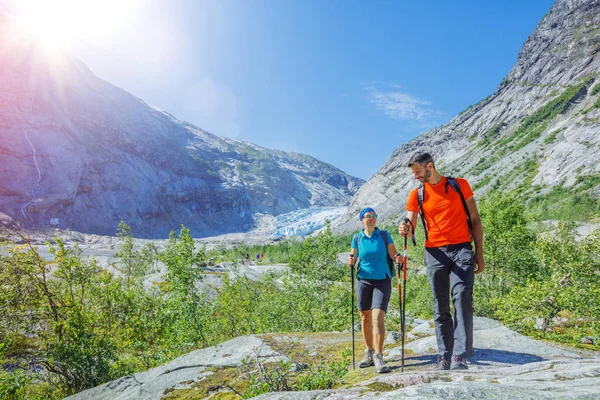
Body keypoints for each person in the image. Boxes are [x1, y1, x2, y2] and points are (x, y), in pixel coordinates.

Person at [398, 151, 485, 371]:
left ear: (430, 166)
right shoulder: (416, 194)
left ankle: (460, 355)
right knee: (441, 304)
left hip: (462, 249)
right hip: (434, 252)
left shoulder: (459, 185)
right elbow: (410, 225)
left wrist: (479, 252)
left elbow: (475, 219)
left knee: (462, 295)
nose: (416, 176)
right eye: (414, 173)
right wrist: (405, 229)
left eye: (418, 171)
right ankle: (444, 355)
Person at [347, 207, 403, 374]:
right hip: (363, 280)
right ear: (362, 220)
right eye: (367, 216)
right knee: (365, 317)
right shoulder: (357, 238)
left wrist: (398, 258)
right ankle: (369, 352)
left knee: (377, 317)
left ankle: (379, 356)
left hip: (382, 281)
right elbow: (354, 257)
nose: (371, 219)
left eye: (373, 216)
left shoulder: (384, 235)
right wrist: (350, 261)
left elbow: (393, 255)